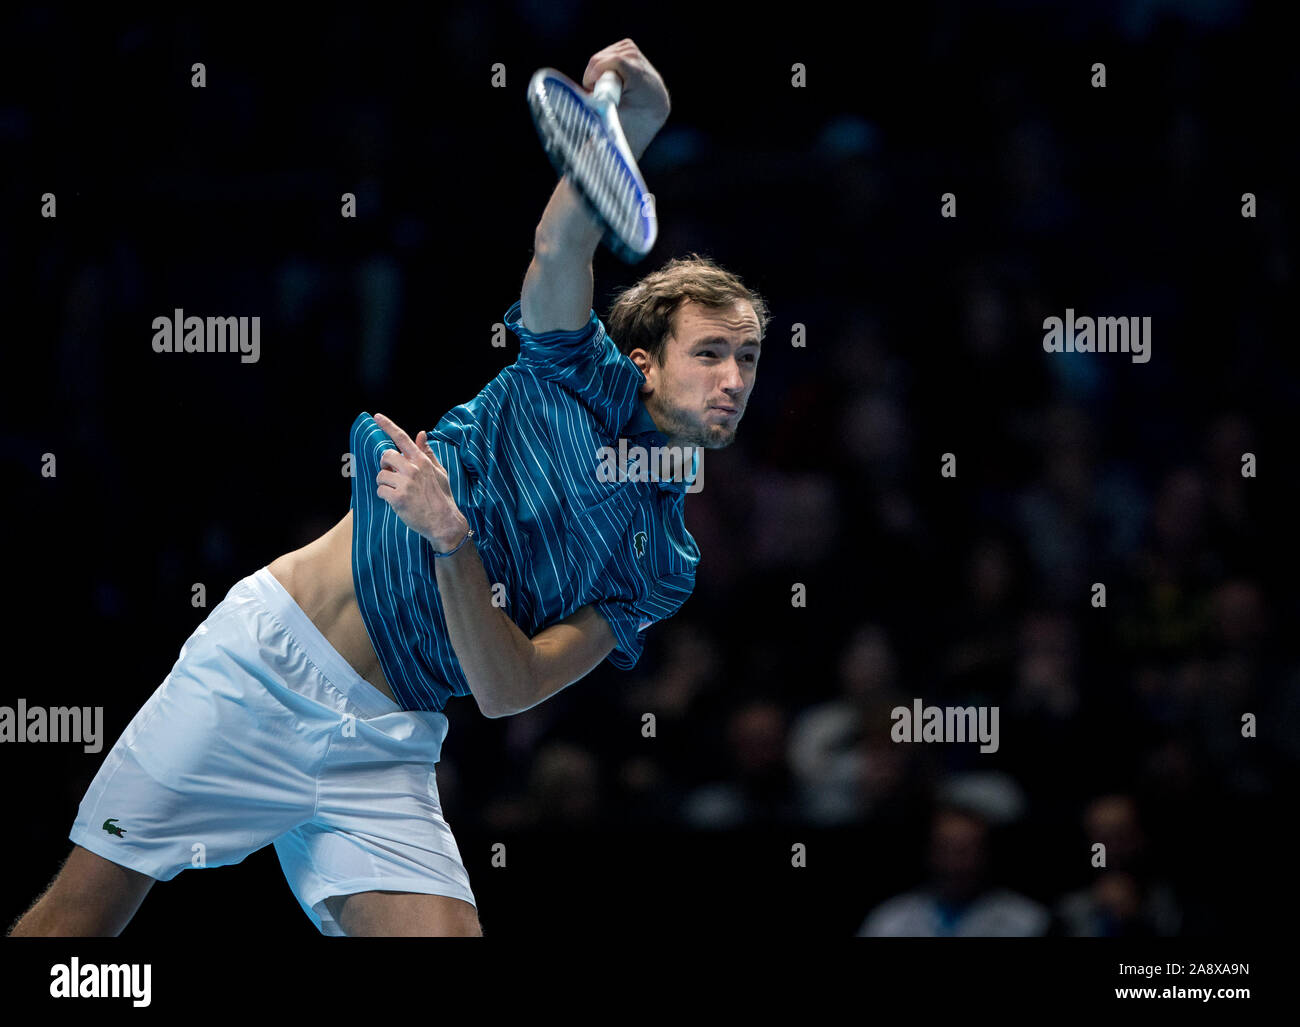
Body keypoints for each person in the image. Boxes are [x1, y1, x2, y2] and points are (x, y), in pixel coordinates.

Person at [9, 39, 768, 938]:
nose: (732, 378)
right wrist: (633, 126)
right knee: (77, 929)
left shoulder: (664, 561)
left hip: (386, 736)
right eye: (710, 352)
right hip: (263, 670)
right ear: (643, 362)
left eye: (748, 358)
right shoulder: (571, 368)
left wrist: (456, 541)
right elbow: (560, 243)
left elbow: (506, 686)